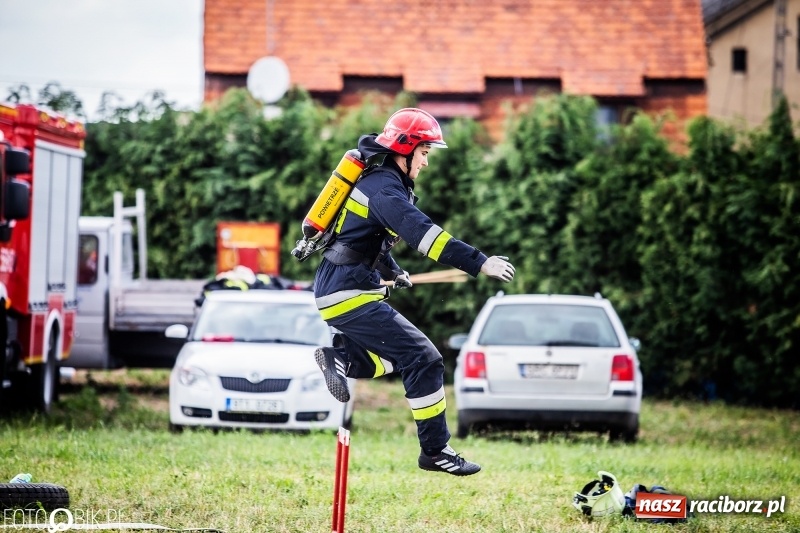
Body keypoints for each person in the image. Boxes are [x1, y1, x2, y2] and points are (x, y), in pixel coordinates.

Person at [313, 108, 515, 476]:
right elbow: (426, 236)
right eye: (423, 153)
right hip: (348, 292)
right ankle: (435, 451)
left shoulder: (381, 184)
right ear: (404, 150)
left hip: (345, 288)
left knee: (403, 359)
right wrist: (479, 262)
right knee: (425, 358)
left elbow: (363, 240)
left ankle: (342, 356)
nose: (425, 163)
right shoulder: (384, 189)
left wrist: (394, 271)